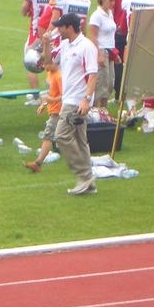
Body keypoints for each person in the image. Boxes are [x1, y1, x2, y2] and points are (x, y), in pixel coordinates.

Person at [49, 13, 98, 195]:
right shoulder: (65, 45)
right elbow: (48, 63)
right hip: (69, 99)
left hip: (77, 101)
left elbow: (93, 75)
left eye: (60, 26)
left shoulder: (86, 47)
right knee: (80, 140)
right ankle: (88, 182)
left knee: (61, 136)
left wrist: (86, 99)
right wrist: (46, 44)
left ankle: (84, 176)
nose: (58, 29)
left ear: (69, 27)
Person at [21, 0, 59, 107]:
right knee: (53, 64)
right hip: (53, 33)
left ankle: (36, 96)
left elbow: (24, 11)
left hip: (36, 34)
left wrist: (28, 4)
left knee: (31, 63)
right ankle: (53, 94)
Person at [23, 56, 62, 173]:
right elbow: (51, 93)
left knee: (48, 136)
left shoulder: (59, 76)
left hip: (58, 111)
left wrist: (51, 100)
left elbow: (65, 96)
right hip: (52, 110)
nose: (44, 67)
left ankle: (38, 163)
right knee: (67, 137)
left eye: (46, 64)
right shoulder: (50, 73)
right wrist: (44, 104)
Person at [88, 0, 117, 109]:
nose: (113, 3)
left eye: (114, 1)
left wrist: (115, 53)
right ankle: (95, 110)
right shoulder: (97, 15)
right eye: (110, 0)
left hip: (110, 50)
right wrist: (98, 54)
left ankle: (103, 110)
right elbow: (93, 36)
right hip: (102, 50)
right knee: (101, 83)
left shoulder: (110, 14)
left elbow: (111, 35)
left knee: (109, 83)